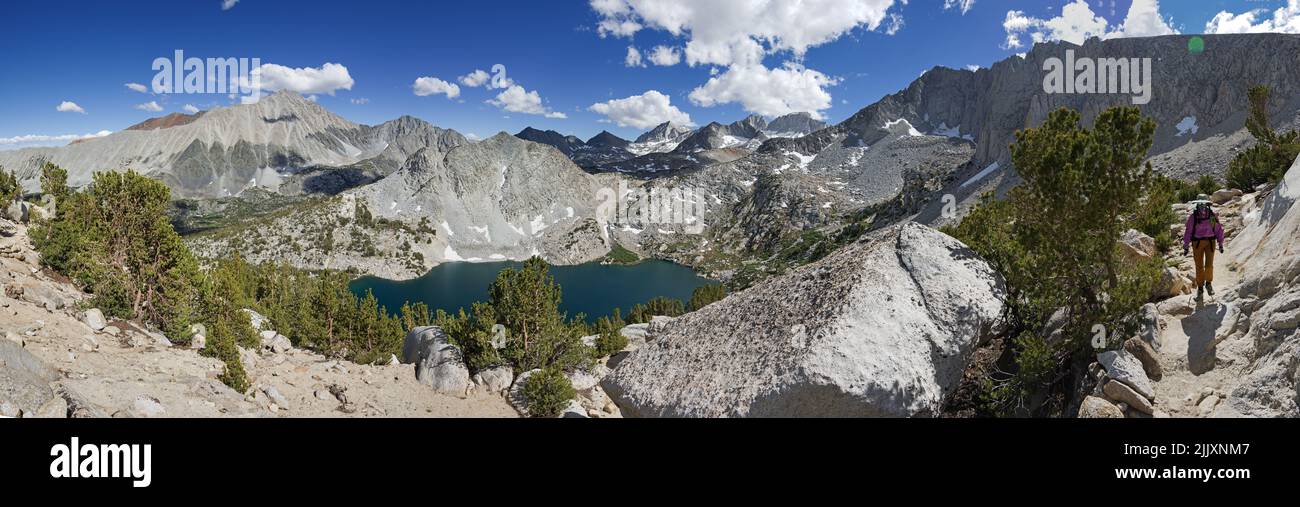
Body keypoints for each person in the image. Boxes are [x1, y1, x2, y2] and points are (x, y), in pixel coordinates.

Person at [1183, 194, 1225, 301]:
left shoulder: (1211, 216)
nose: (1202, 205)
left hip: (1210, 242)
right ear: (1197, 204)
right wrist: (1186, 245)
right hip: (1197, 243)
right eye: (1200, 204)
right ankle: (1200, 288)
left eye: (1204, 203)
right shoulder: (1194, 217)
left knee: (1209, 265)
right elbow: (1188, 231)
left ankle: (1209, 284)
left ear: (1207, 204)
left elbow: (1218, 229)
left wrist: (1220, 243)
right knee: (1199, 266)